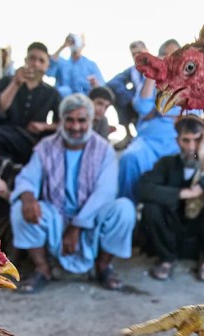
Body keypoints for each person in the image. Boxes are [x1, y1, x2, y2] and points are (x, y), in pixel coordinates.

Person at [10, 94, 135, 293]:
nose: (76, 127)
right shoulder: (46, 146)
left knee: (124, 209)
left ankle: (103, 267)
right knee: (20, 209)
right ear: (61, 120)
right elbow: (27, 178)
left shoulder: (104, 150)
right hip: (56, 217)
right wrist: (28, 197)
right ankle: (42, 269)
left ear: (91, 120)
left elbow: (105, 193)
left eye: (81, 120)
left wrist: (76, 226)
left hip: (91, 217)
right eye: (70, 120)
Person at [138, 116, 204, 282]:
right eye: (186, 140)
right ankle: (166, 259)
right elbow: (143, 189)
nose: (191, 147)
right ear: (177, 141)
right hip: (173, 232)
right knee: (151, 208)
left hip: (203, 231)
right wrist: (185, 193)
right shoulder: (167, 163)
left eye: (197, 140)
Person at [118, 39, 186, 203]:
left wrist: (157, 111)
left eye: (176, 56)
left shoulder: (189, 82)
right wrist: (152, 73)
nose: (171, 60)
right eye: (165, 56)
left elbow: (192, 115)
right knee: (129, 158)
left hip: (176, 142)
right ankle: (128, 208)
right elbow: (142, 107)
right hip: (148, 140)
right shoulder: (151, 80)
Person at [0, 42, 61, 165]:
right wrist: (15, 84)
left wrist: (44, 126)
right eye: (32, 58)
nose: (36, 64)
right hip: (3, 136)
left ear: (47, 66)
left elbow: (62, 123)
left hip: (31, 141)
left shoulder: (51, 93)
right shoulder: (7, 82)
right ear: (25, 60)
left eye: (41, 61)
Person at [106, 40, 148, 150]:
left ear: (147, 51)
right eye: (134, 54)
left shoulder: (157, 66)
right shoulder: (133, 71)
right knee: (115, 92)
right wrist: (131, 99)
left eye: (139, 52)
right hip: (138, 104)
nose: (137, 56)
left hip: (155, 106)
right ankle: (128, 134)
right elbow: (112, 83)